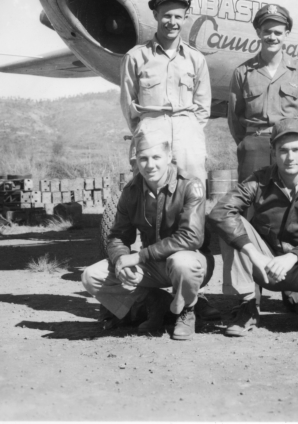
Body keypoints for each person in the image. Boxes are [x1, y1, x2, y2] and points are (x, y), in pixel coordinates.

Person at [208, 118, 298, 337]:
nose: (290, 157)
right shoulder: (259, 180)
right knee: (231, 225)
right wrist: (255, 256)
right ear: (273, 153)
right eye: (283, 150)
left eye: (296, 149)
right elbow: (220, 212)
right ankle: (247, 305)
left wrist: (293, 257)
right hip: (264, 264)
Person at [82, 131, 214, 341]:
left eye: (156, 158)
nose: (149, 165)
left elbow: (191, 237)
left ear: (169, 156)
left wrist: (139, 256)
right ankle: (154, 301)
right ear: (136, 160)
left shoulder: (190, 184)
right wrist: (119, 260)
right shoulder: (131, 191)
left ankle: (187, 310)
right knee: (91, 276)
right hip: (153, 264)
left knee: (182, 262)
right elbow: (117, 237)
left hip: (191, 261)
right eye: (143, 158)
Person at [120, 0, 211, 184]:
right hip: (151, 136)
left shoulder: (196, 59)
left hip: (188, 140)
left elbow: (203, 107)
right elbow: (128, 105)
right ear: (156, 15)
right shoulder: (135, 58)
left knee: (192, 198)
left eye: (178, 16)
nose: (172, 22)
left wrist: (190, 129)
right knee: (151, 201)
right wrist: (146, 130)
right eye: (166, 15)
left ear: (186, 17)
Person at [228, 3, 298, 183]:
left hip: (288, 145)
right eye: (267, 31)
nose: (272, 37)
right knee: (251, 202)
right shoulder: (243, 72)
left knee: (288, 201)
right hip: (255, 145)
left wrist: (296, 139)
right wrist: (247, 142)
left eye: (277, 33)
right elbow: (234, 117)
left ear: (286, 34)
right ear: (259, 32)